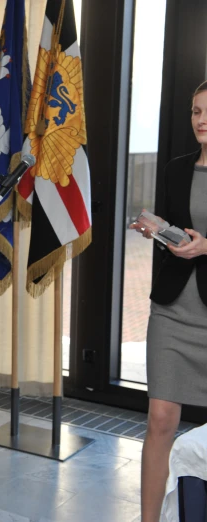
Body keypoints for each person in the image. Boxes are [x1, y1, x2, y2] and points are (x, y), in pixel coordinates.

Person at [132, 80, 207, 522]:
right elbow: (176, 233)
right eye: (196, 111)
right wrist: (159, 233)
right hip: (173, 310)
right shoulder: (176, 169)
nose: (202, 120)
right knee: (160, 419)